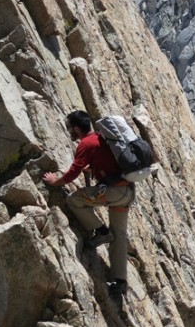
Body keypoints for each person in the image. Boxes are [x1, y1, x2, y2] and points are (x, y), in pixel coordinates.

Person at [43, 110, 133, 298]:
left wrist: (55, 181)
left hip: (113, 192)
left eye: (69, 127)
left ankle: (101, 232)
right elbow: (108, 164)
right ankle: (120, 282)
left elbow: (73, 173)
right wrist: (92, 169)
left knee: (74, 200)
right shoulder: (101, 138)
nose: (68, 130)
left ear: (76, 128)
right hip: (127, 191)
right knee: (120, 235)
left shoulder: (86, 143)